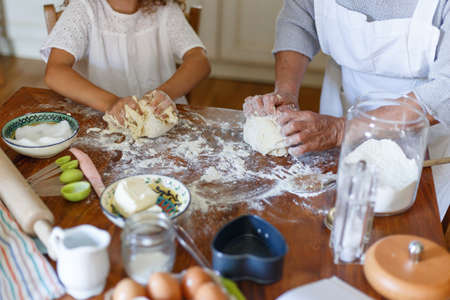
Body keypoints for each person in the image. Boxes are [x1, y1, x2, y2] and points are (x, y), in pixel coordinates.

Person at [243, 0, 450, 220]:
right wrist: (285, 93)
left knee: (399, 231)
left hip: (423, 138)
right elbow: (298, 18)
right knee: (332, 218)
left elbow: (445, 89)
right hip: (339, 104)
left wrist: (341, 130)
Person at [41, 0, 210, 122]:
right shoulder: (83, 9)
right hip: (100, 121)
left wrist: (165, 94)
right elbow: (55, 72)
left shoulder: (164, 8)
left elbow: (199, 61)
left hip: (162, 118)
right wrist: (112, 103)